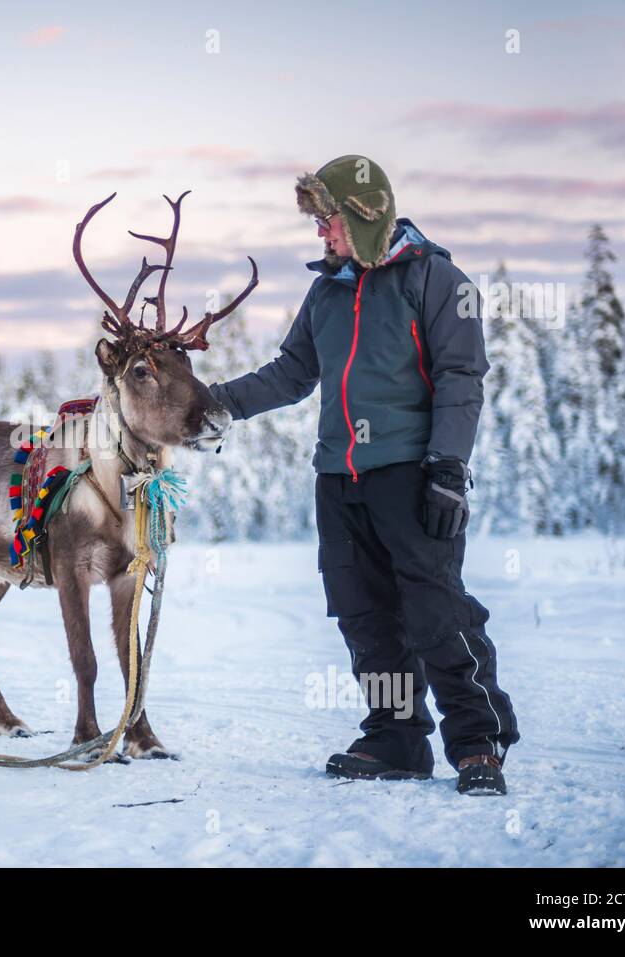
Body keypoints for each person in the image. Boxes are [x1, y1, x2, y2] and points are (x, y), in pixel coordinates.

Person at [208, 155, 519, 795]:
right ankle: (396, 736)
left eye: (329, 220)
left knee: (437, 610)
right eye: (318, 221)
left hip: (411, 474)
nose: (321, 233)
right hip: (338, 479)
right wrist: (216, 405)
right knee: (365, 616)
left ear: (365, 216)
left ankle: (477, 741)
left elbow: (462, 377)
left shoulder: (436, 280)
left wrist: (448, 468)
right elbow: (292, 373)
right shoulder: (327, 291)